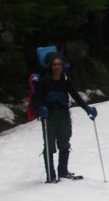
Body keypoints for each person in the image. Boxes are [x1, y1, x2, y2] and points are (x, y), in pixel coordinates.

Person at [32, 52, 97, 182]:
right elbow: (36, 100)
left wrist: (87, 108)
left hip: (63, 115)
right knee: (49, 145)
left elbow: (76, 96)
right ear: (50, 66)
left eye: (59, 64)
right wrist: (40, 108)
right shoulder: (44, 81)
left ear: (63, 66)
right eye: (54, 65)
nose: (57, 67)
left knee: (64, 143)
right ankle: (51, 176)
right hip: (49, 117)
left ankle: (63, 171)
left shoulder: (66, 80)